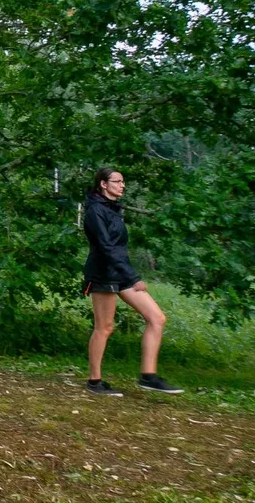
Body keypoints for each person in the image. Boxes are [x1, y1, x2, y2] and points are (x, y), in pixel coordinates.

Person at [83, 167, 182, 396]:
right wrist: (132, 277)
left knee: (157, 318)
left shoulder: (113, 209)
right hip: (103, 274)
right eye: (117, 181)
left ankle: (148, 377)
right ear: (103, 185)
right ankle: (94, 381)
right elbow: (106, 247)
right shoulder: (95, 211)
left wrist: (128, 275)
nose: (122, 185)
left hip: (120, 272)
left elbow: (117, 248)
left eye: (123, 181)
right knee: (104, 327)